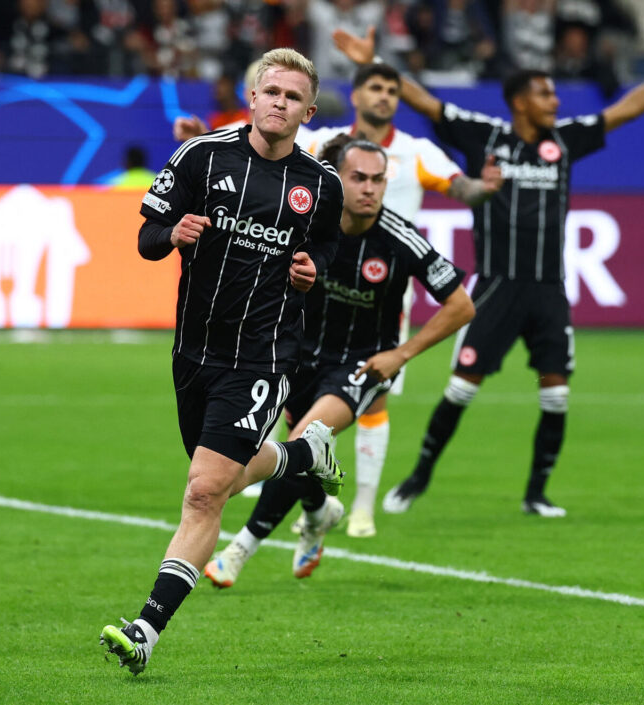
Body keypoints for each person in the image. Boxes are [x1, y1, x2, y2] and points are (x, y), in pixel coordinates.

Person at [331, 26, 644, 517]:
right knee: (461, 389)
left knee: (556, 393)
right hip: (495, 288)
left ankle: (537, 493)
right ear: (519, 102)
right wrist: (381, 65)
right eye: (544, 93)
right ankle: (417, 478)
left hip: (549, 291)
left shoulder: (565, 142)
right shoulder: (486, 137)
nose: (554, 101)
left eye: (553, 93)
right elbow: (430, 105)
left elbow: (627, 109)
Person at [176, 60, 503, 538]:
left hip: (381, 289)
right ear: (355, 95)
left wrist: (485, 189)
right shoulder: (318, 141)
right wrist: (205, 138)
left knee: (365, 404)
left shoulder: (417, 151)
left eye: (393, 89)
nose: (385, 96)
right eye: (375, 86)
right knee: (297, 416)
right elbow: (259, 151)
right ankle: (312, 501)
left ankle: (359, 508)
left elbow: (464, 189)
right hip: (317, 286)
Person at [99, 47, 345, 676]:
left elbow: (324, 261)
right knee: (218, 480)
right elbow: (147, 238)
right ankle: (299, 454)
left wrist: (313, 274)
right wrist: (172, 235)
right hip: (193, 353)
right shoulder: (200, 158)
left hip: (262, 357)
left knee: (205, 491)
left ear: (306, 112)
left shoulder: (321, 186)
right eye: (270, 92)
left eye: (292, 97)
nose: (279, 104)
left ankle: (146, 629)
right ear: (254, 97)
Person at [204, 134, 476, 589]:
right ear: (337, 179)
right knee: (305, 453)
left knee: (304, 437)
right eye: (358, 178)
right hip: (298, 358)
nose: (370, 188)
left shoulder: (399, 237)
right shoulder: (309, 223)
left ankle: (240, 549)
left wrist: (400, 354)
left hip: (363, 364)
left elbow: (461, 305)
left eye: (378, 179)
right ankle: (318, 512)